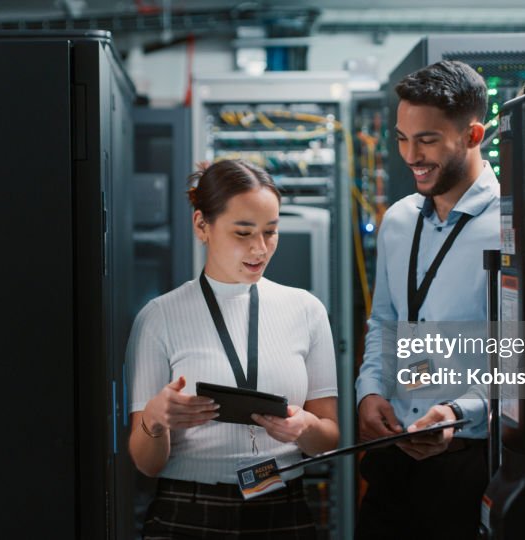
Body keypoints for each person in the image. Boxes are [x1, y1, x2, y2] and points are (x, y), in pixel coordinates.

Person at [125, 159, 340, 539]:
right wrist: (155, 419)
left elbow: (328, 437)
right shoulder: (159, 317)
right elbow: (146, 464)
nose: (259, 248)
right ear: (201, 226)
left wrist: (304, 429)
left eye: (270, 232)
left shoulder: (306, 310)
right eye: (243, 233)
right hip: (189, 511)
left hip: (282, 506)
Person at [354, 60, 500, 539]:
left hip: (468, 461)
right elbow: (386, 322)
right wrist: (370, 390)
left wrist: (460, 413)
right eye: (401, 137)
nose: (410, 155)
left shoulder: (510, 224)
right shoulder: (399, 221)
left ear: (473, 135)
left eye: (427, 140)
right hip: (395, 455)